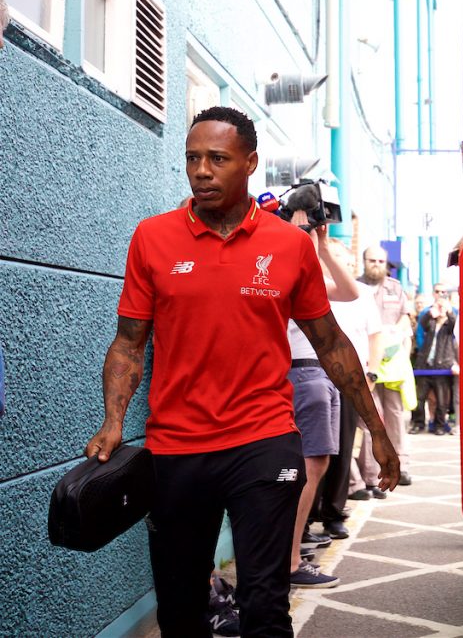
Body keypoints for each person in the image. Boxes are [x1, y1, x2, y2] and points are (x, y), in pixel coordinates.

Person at [84, 106, 400, 636]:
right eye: (192, 158)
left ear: (250, 163)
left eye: (217, 158)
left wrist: (377, 430)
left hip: (263, 441)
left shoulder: (290, 246)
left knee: (264, 606)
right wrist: (113, 421)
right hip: (177, 449)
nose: (201, 170)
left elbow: (332, 344)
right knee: (181, 611)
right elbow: (128, 344)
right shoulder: (153, 239)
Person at [284, 213, 362, 589]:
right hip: (304, 373)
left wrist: (325, 246)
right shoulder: (286, 272)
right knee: (309, 469)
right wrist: (307, 242)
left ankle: (289, 554)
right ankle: (290, 560)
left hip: (317, 374)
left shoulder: (302, 268)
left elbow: (350, 291)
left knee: (313, 468)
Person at [311, 238, 383, 541]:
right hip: (313, 375)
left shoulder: (361, 294)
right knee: (312, 451)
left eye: (342, 258)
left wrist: (371, 373)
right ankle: (305, 519)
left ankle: (333, 513)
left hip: (349, 378)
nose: (336, 262)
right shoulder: (310, 287)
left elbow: (374, 335)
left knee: (341, 448)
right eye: (331, 256)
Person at [357, 245, 414, 487]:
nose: (377, 265)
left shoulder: (395, 287)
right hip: (365, 362)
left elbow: (405, 315)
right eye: (372, 260)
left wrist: (394, 334)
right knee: (371, 419)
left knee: (395, 416)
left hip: (392, 364)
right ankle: (372, 474)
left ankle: (401, 465)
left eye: (381, 261)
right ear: (364, 261)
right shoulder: (354, 287)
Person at [414, 287, 459, 435]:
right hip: (425, 365)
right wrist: (431, 311)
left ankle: (440, 425)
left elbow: (454, 323)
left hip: (442, 366)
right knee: (420, 398)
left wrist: (448, 310)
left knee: (442, 401)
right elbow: (422, 323)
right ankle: (419, 423)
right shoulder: (431, 323)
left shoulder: (449, 325)